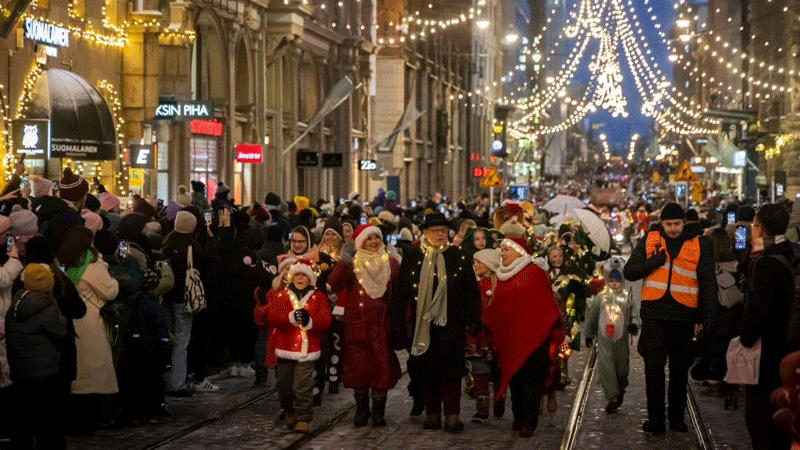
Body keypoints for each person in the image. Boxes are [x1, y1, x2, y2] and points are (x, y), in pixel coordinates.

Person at [623, 202, 717, 434]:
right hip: (655, 315)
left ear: (683, 223)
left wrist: (706, 316)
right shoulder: (650, 239)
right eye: (668, 224)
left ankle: (677, 418)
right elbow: (630, 271)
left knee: (679, 371)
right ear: (662, 223)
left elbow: (707, 283)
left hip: (684, 316)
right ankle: (656, 419)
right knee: (653, 370)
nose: (673, 229)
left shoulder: (699, 244)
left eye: (676, 224)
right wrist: (654, 262)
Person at [391, 212, 481, 433]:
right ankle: (432, 413)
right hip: (423, 325)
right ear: (424, 233)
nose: (440, 234)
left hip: (452, 324)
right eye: (435, 231)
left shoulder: (458, 256)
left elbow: (471, 292)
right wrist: (398, 325)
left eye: (443, 231)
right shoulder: (413, 257)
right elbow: (401, 293)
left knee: (451, 370)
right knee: (427, 370)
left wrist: (474, 319)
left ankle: (452, 414)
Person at [328, 224, 401, 427]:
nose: (374, 242)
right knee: (358, 368)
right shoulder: (353, 264)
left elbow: (398, 294)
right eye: (370, 239)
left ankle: (379, 410)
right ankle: (361, 409)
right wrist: (343, 261)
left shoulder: (391, 264)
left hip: (381, 325)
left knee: (381, 367)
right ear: (361, 242)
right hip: (357, 324)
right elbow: (334, 282)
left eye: (377, 238)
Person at [490, 237, 560, 437]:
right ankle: (518, 417)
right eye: (501, 250)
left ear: (519, 253)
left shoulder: (534, 274)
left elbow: (546, 305)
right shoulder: (501, 275)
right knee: (515, 380)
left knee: (530, 381)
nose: (502, 254)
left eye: (506, 250)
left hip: (533, 340)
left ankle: (529, 421)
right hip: (510, 339)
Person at [739, 204, 795, 450]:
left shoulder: (767, 264)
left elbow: (758, 310)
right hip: (789, 346)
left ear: (759, 229)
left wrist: (745, 338)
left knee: (761, 417)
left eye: (753, 226)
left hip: (768, 351)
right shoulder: (790, 254)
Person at [59, 226, 120, 433]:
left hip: (71, 322)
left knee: (78, 371)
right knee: (94, 371)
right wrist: (114, 281)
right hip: (89, 321)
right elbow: (109, 291)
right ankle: (97, 416)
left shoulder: (64, 261)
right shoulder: (91, 264)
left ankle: (76, 415)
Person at [5, 263, 67, 449]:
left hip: (20, 370)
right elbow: (60, 335)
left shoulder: (14, 307)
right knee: (47, 419)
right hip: (45, 371)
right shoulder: (47, 309)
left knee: (23, 418)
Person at [268, 260, 331, 433]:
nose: (300, 278)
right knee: (284, 384)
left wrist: (310, 322)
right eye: (297, 274)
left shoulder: (318, 297)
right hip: (285, 349)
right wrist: (289, 317)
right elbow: (273, 318)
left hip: (307, 350)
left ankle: (304, 416)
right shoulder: (281, 295)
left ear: (310, 278)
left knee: (303, 384)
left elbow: (325, 321)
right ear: (291, 277)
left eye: (304, 275)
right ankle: (289, 410)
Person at [584, 257, 640, 413]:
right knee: (606, 366)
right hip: (604, 338)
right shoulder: (601, 298)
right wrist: (589, 333)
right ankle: (612, 397)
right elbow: (592, 317)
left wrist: (634, 325)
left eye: (617, 279)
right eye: (611, 280)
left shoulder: (627, 298)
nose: (614, 283)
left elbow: (635, 314)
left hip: (621, 338)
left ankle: (621, 386)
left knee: (622, 367)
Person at [162, 210, 201, 396]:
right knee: (182, 341)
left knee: (169, 339)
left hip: (167, 296)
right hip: (184, 298)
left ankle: (169, 378)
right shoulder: (191, 245)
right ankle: (177, 383)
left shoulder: (167, 242)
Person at [467, 248, 502, 423]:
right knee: (480, 371)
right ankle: (482, 409)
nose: (476, 265)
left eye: (479, 262)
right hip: (478, 335)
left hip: (496, 336)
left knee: (498, 370)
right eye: (474, 262)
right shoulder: (473, 285)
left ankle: (499, 397)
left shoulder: (500, 285)